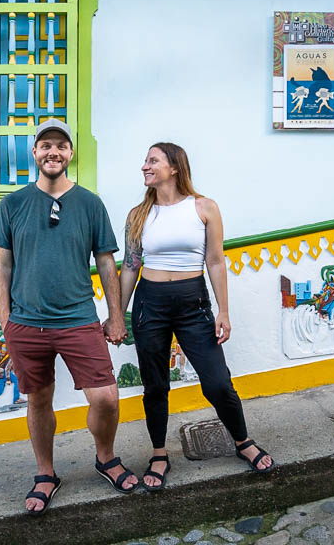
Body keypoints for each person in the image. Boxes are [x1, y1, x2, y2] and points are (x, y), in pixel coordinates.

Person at [0, 118, 138, 514]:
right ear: (34, 153)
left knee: (105, 398)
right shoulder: (13, 203)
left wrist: (116, 316)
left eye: (60, 145)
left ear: (71, 153)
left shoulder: (90, 203)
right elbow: (2, 266)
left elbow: (106, 263)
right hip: (27, 324)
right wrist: (7, 323)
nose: (52, 151)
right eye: (45, 145)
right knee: (38, 399)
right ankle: (45, 473)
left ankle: (105, 458)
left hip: (78, 320)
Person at [114, 142, 274, 490]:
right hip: (149, 304)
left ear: (174, 167)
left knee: (217, 382)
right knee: (155, 386)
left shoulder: (204, 207)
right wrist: (116, 314)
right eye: (145, 160)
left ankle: (242, 441)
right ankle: (159, 453)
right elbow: (130, 266)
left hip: (193, 304)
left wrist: (224, 311)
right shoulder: (137, 215)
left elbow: (215, 261)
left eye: (152, 160)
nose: (145, 166)